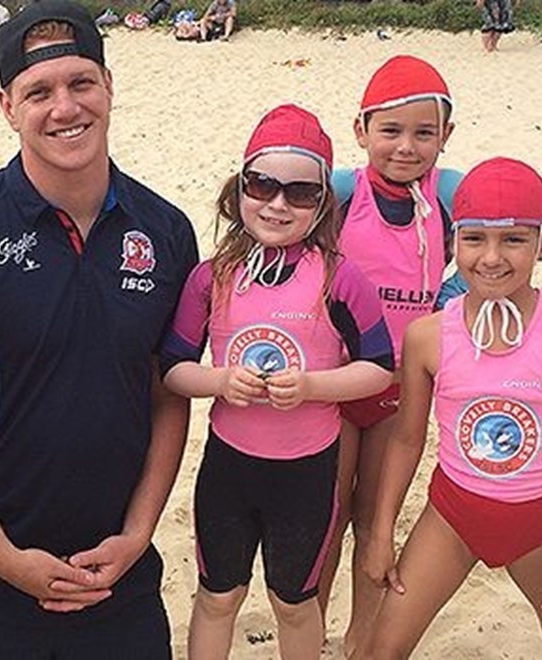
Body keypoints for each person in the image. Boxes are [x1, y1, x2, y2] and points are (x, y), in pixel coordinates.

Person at [0, 1, 199, 657]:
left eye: (81, 82)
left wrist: (139, 533)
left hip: (118, 573)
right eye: (38, 92)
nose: (64, 107)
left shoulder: (166, 232)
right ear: (7, 106)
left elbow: (168, 394)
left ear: (108, 86)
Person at [161, 104, 393, 659]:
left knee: (293, 601)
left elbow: (380, 368)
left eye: (300, 193)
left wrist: (312, 387)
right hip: (229, 465)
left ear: (323, 203)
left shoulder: (339, 278)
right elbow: (173, 369)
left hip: (306, 472)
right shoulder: (211, 278)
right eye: (262, 185)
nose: (278, 204)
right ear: (240, 188)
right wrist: (220, 380)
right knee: (218, 595)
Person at [358, 158, 542, 660]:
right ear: (454, 243)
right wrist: (380, 533)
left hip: (540, 523)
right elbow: (407, 440)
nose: (491, 258)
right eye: (474, 239)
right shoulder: (429, 336)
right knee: (381, 649)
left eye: (513, 239)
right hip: (452, 516)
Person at [317, 55, 463, 655]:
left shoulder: (449, 193)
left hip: (400, 390)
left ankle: (361, 641)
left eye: (424, 133)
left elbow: (492, 252)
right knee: (326, 525)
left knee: (376, 525)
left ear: (445, 135)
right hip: (333, 383)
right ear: (361, 130)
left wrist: (443, 304)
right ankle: (309, 633)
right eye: (391, 130)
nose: (406, 146)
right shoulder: (341, 192)